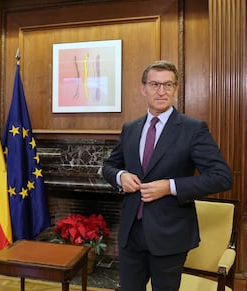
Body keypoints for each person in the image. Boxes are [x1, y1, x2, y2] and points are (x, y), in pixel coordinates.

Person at [101, 60, 233, 291]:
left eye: (168, 85)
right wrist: (120, 176)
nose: (161, 91)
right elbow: (109, 166)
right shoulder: (130, 128)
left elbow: (222, 177)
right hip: (131, 233)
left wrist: (170, 186)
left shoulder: (193, 129)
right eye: (154, 84)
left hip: (170, 235)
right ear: (143, 89)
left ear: (176, 89)